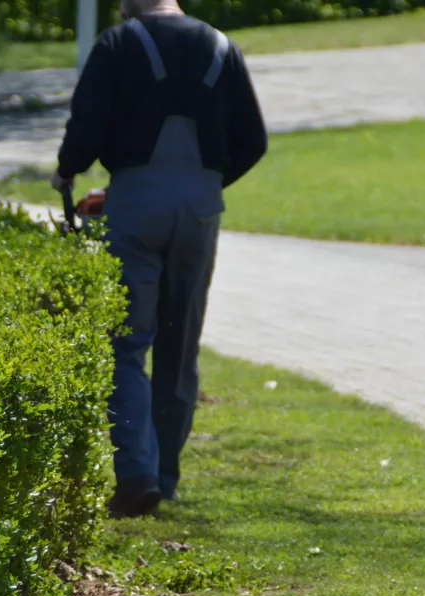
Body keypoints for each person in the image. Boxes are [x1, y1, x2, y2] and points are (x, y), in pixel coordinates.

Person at [51, 0, 268, 518]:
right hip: (200, 207)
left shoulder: (118, 43)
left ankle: (137, 476)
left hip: (136, 202)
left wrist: (67, 170)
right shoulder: (221, 44)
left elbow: (88, 122)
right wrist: (207, 180)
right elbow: (253, 140)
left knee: (126, 342)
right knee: (180, 340)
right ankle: (166, 477)